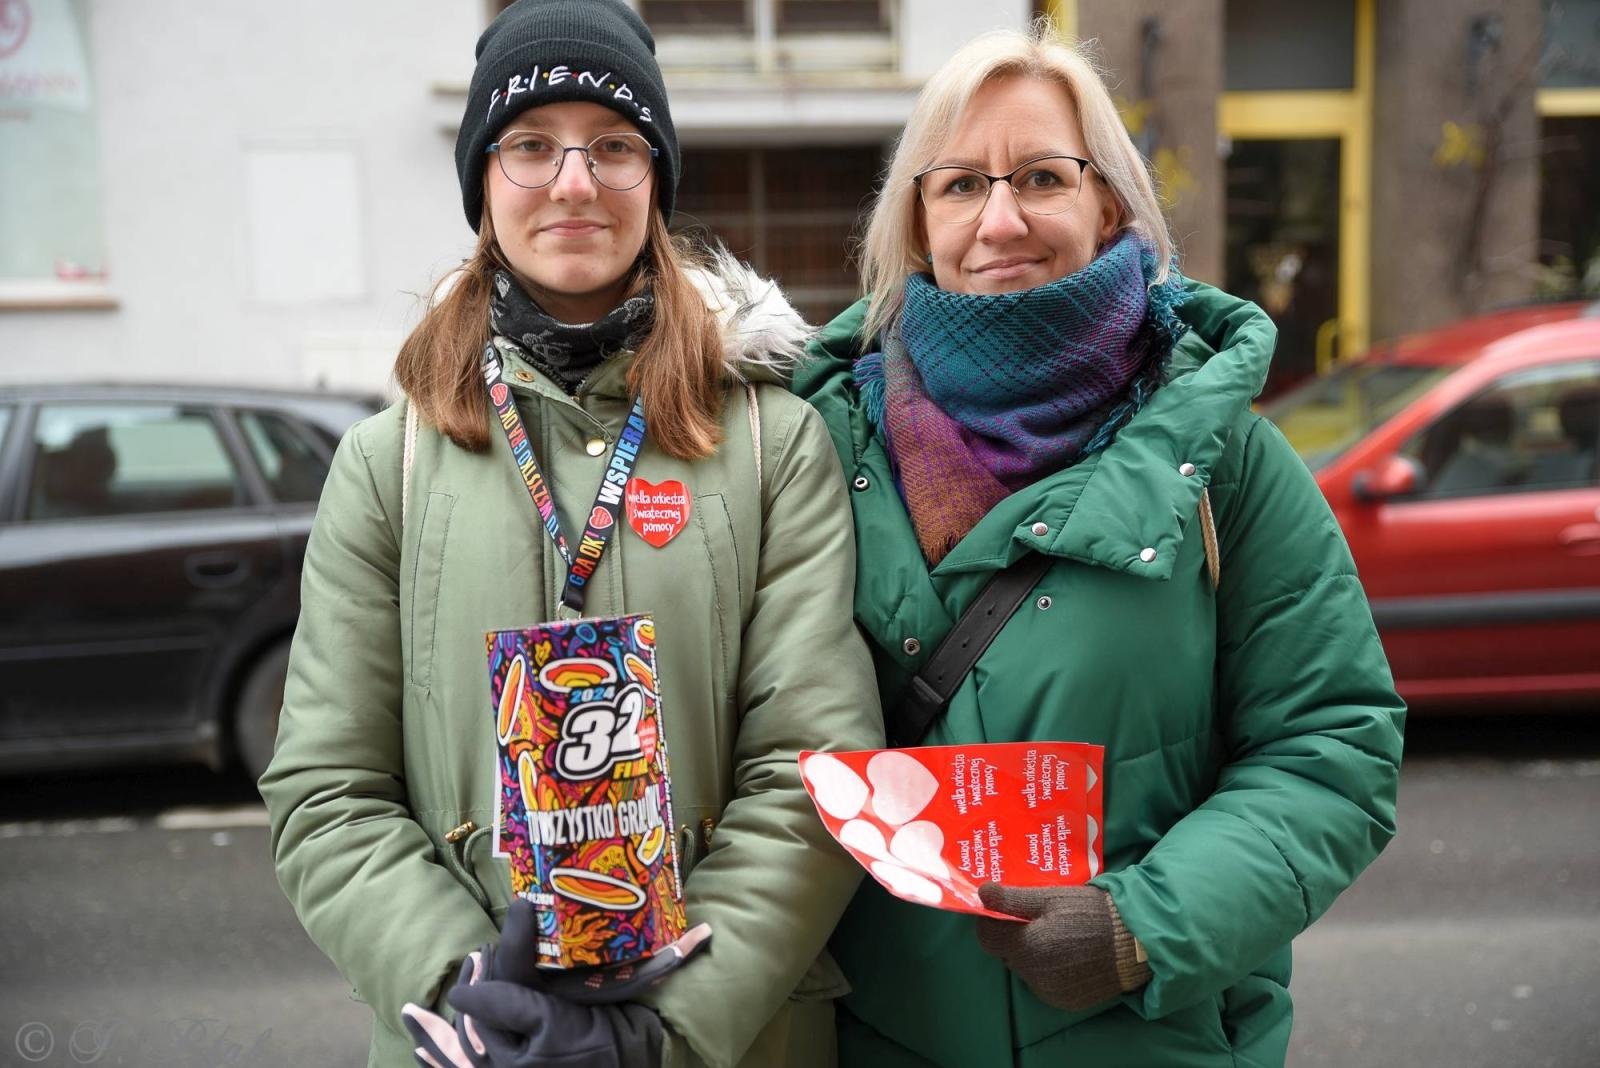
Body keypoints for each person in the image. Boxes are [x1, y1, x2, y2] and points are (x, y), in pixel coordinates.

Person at [258, 2, 883, 1066]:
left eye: (614, 146)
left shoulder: (776, 444)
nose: (574, 181)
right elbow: (328, 790)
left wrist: (668, 1025)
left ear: (658, 179)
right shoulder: (387, 466)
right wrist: (467, 991)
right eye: (531, 144)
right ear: (482, 182)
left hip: (739, 1035)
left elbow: (814, 768)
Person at [792, 24, 1406, 1068]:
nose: (999, 219)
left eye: (1040, 176)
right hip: (878, 1043)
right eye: (958, 186)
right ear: (916, 219)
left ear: (1107, 203)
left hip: (1149, 1038)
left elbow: (1330, 747)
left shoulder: (1226, 462)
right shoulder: (810, 448)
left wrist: (1142, 929)